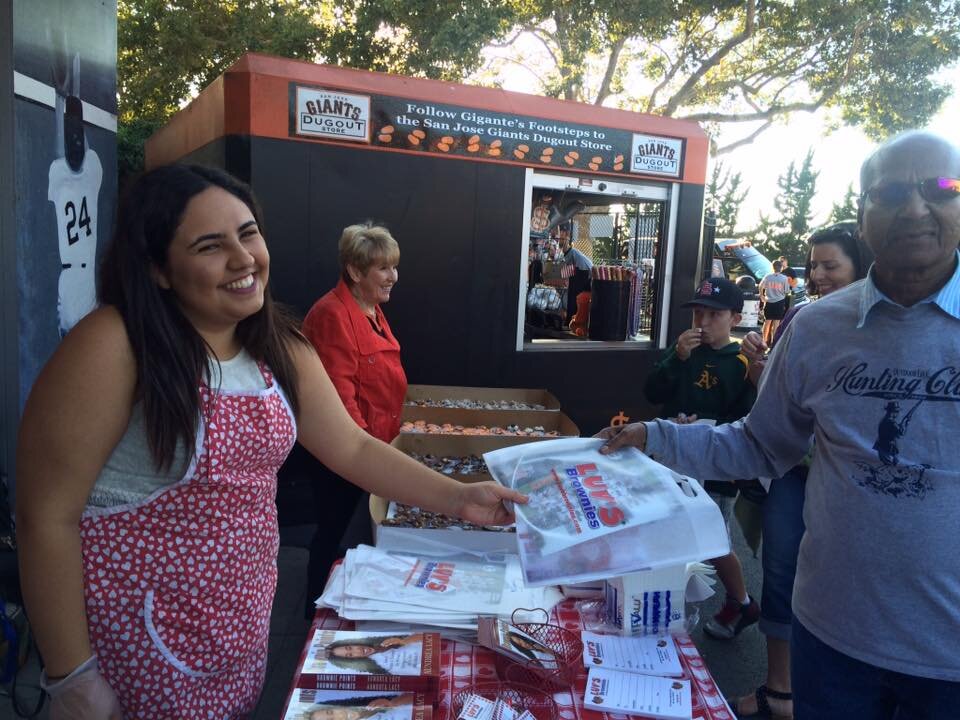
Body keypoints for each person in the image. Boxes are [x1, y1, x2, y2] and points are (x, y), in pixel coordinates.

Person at [14, 165, 525, 720]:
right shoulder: (114, 346)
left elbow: (351, 448)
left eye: (248, 233)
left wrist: (459, 498)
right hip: (132, 648)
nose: (242, 259)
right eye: (210, 245)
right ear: (160, 268)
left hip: (237, 633)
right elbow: (45, 516)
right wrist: (73, 675)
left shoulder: (280, 347)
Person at [598, 131, 960, 719]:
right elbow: (760, 444)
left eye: (941, 187)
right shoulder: (817, 327)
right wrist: (654, 436)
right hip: (833, 644)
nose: (915, 207)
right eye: (891, 192)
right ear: (864, 213)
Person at [734, 222, 874, 719]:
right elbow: (769, 417)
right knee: (778, 569)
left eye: (830, 265)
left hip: (854, 485)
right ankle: (780, 689)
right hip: (794, 471)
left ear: (862, 264)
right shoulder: (801, 317)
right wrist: (757, 369)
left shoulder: (886, 326)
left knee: (847, 581)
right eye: (813, 265)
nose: (817, 274)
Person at [643, 277, 759, 641]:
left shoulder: (740, 362)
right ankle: (663, 601)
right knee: (664, 526)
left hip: (715, 464)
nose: (703, 322)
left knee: (713, 538)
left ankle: (741, 601)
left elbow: (745, 419)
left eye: (714, 314)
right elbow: (652, 392)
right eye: (698, 313)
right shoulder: (682, 349)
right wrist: (676, 359)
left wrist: (703, 425)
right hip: (670, 455)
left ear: (735, 318)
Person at [301, 222, 406, 615]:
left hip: (373, 446)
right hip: (345, 454)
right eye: (383, 268)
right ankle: (314, 615)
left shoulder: (371, 310)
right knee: (333, 533)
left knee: (351, 532)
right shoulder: (332, 315)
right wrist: (368, 459)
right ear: (355, 271)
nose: (393, 277)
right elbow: (339, 396)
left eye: (394, 267)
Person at [325, 635, 424, 674]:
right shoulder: (380, 669)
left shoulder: (386, 637)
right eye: (350, 655)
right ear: (353, 660)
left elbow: (429, 637)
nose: (358, 651)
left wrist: (405, 641)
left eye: (350, 648)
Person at [557, 222, 593, 323]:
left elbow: (565, 277)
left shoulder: (572, 254)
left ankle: (572, 321)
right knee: (571, 293)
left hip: (584, 272)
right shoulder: (568, 254)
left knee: (573, 296)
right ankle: (571, 320)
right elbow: (565, 276)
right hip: (582, 271)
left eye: (559, 233)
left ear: (566, 234)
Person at [758, 260, 789, 345]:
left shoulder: (768, 277)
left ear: (773, 267)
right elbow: (786, 291)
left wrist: (762, 296)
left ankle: (764, 341)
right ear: (781, 268)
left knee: (767, 322)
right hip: (779, 302)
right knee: (776, 323)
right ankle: (774, 343)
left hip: (769, 302)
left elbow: (761, 286)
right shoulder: (784, 278)